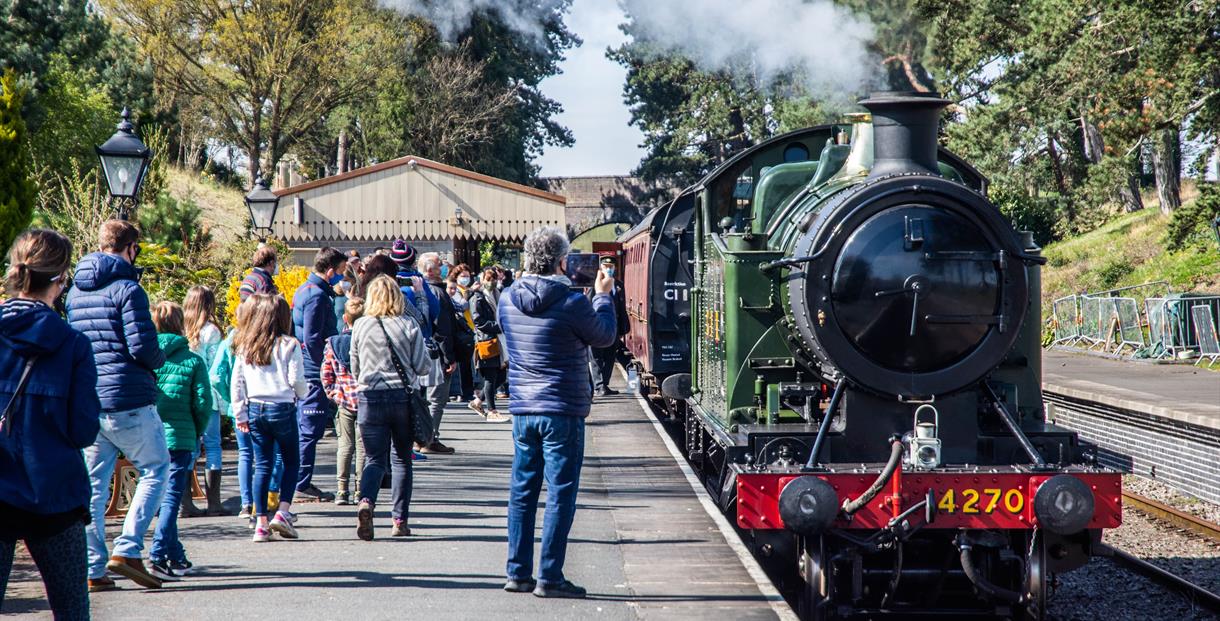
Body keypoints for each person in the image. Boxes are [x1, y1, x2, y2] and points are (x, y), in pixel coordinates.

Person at [498, 227, 616, 598]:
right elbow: (605, 336)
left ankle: (517, 573)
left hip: (523, 408)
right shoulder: (572, 302)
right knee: (561, 492)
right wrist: (602, 297)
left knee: (522, 490)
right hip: (561, 408)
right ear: (562, 261)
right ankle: (550, 576)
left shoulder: (506, 298)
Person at [0, 229, 99, 616]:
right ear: (60, 280)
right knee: (71, 609)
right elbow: (83, 430)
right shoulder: (73, 344)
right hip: (55, 489)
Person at [66, 219, 169, 591]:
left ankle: (94, 569)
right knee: (156, 468)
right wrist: (160, 360)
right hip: (129, 398)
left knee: (93, 487)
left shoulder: (75, 292)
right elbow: (142, 346)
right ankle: (127, 547)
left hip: (91, 400)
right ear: (130, 248)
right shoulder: (129, 289)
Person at [350, 276, 431, 540]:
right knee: (401, 459)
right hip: (401, 398)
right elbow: (422, 366)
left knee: (374, 459)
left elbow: (355, 368)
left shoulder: (360, 326)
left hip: (369, 398)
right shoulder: (409, 324)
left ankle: (366, 501)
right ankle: (399, 521)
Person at [232, 294, 307, 542]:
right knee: (291, 461)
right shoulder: (289, 345)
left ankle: (261, 522)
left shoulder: (246, 345)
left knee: (261, 465)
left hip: (255, 407)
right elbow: (296, 380)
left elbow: (237, 383)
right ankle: (282, 512)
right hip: (282, 406)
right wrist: (301, 393)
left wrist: (240, 413)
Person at [148, 302, 213, 582]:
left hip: (150, 435)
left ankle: (175, 553)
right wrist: (198, 432)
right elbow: (202, 403)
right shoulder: (192, 360)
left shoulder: (146, 358)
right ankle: (159, 553)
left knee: (163, 499)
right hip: (181, 435)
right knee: (173, 496)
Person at [210, 298, 281, 526]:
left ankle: (246, 502)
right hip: (264, 403)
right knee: (269, 454)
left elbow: (217, 375)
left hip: (238, 406)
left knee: (245, 454)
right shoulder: (265, 338)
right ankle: (270, 496)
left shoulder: (232, 339)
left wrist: (230, 398)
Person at [291, 247, 347, 502]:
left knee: (306, 429)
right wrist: (326, 368)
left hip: (307, 368)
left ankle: (301, 480)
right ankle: (301, 483)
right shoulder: (317, 296)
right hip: (314, 372)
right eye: (341, 273)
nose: (342, 278)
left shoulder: (305, 289)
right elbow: (313, 337)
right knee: (310, 430)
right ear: (331, 271)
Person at [184, 285, 226, 516]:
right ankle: (214, 502)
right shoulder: (211, 331)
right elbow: (215, 369)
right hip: (207, 397)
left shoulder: (181, 328)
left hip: (185, 398)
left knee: (189, 448)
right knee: (212, 446)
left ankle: (186, 503)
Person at [322, 297, 365, 506]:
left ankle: (341, 490)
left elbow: (326, 372)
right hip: (365, 400)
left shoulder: (333, 343)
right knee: (363, 447)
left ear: (345, 318)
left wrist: (332, 392)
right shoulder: (367, 341)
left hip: (344, 399)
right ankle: (360, 489)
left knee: (344, 446)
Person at [419, 252, 458, 454]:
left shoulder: (423, 290)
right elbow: (443, 328)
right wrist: (449, 357)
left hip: (423, 350)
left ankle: (424, 436)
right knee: (436, 398)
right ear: (430, 270)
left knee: (426, 397)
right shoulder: (436, 292)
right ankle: (429, 438)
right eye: (439, 265)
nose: (444, 268)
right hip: (436, 353)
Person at [468, 268, 509, 423]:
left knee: (502, 377)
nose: (491, 281)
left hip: (500, 341)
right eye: (488, 278)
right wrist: (499, 326)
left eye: (494, 278)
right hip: (487, 341)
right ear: (482, 279)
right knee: (490, 377)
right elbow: (478, 321)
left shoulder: (498, 295)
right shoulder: (477, 298)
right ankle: (492, 411)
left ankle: (478, 402)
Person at [590, 257, 629, 396]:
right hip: (597, 327)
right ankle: (599, 386)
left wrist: (623, 326)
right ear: (600, 268)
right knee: (596, 358)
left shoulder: (618, 284)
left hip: (614, 328)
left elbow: (621, 306)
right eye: (606, 266)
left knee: (610, 357)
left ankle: (604, 384)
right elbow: (589, 304)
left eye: (611, 266)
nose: (609, 269)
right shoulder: (594, 285)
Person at [447, 264, 477, 403]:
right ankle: (462, 391)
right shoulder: (457, 291)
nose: (466, 278)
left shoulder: (466, 289)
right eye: (462, 276)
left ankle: (467, 391)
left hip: (469, 328)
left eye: (467, 276)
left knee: (468, 364)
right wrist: (468, 294)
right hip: (459, 330)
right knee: (462, 364)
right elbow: (461, 306)